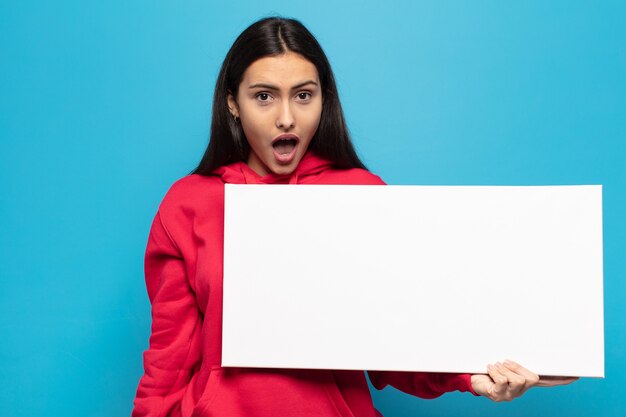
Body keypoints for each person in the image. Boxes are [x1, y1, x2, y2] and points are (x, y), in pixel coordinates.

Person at [132, 16, 576, 417]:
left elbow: (397, 344)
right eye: (264, 96)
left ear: (324, 98)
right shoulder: (187, 204)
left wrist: (473, 378)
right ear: (233, 102)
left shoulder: (362, 195)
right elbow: (168, 361)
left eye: (303, 95)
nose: (286, 117)